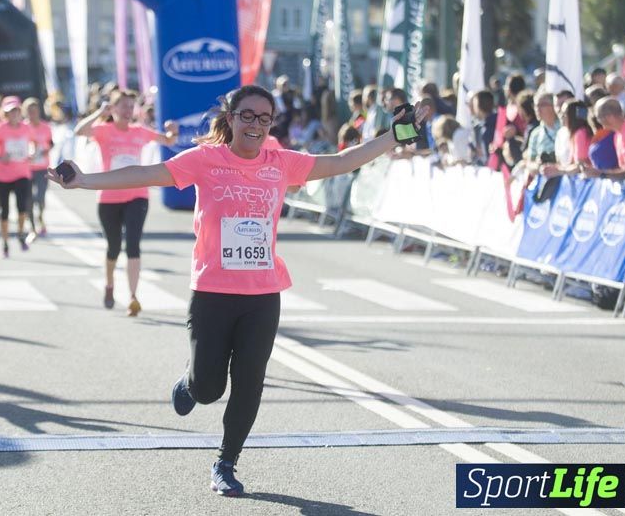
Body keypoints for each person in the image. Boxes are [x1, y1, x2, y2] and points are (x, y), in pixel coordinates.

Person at [49, 84, 426, 497]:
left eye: (265, 118)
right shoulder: (205, 160)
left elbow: (341, 161)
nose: (256, 125)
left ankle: (225, 463)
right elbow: (143, 174)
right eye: (248, 115)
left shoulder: (281, 163)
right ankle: (191, 384)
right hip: (212, 291)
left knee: (250, 383)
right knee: (210, 389)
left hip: (263, 294)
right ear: (230, 118)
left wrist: (397, 134)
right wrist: (83, 181)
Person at [72, 89, 178, 317]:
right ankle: (109, 284)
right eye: (124, 106)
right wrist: (99, 113)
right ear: (113, 108)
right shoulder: (103, 130)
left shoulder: (140, 132)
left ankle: (133, 296)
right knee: (113, 247)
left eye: (131, 106)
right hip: (109, 197)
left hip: (137, 195)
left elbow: (168, 141)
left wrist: (173, 132)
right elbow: (79, 131)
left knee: (133, 245)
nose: (128, 111)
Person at [0, 96, 36, 258]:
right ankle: (5, 243)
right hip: (2, 175)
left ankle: (20, 233)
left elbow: (33, 143)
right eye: (10, 112)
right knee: (4, 211)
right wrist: (0, 158)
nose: (14, 114)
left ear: (20, 112)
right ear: (5, 114)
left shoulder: (26, 128)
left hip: (22, 173)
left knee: (22, 207)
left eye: (16, 111)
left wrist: (32, 153)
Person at [583, 98, 625, 183]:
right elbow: (622, 168)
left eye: (598, 117)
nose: (598, 121)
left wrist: (601, 174)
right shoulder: (618, 134)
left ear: (610, 117)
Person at [24, 97, 53, 237]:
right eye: (29, 111)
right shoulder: (23, 127)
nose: (32, 114)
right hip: (26, 168)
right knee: (28, 197)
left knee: (40, 197)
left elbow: (51, 142)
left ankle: (40, 217)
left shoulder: (46, 127)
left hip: (42, 167)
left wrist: (47, 149)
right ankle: (32, 225)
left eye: (34, 111)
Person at [542, 100, 592, 177]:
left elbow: (580, 167)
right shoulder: (574, 133)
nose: (561, 116)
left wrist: (559, 171)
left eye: (565, 113)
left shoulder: (581, 133)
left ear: (573, 116)